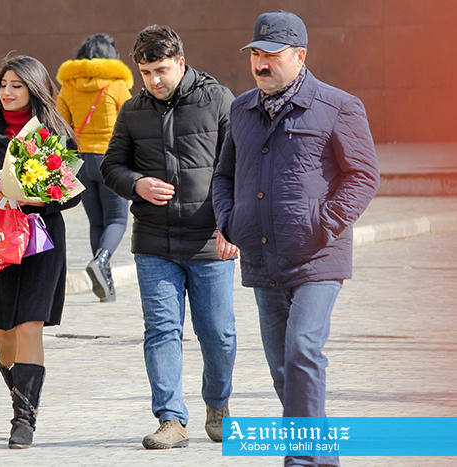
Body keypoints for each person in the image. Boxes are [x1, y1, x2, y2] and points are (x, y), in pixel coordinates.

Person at [212, 10, 380, 467]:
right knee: (284, 368)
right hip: (262, 258)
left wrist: (324, 224)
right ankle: (321, 454)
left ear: (300, 56)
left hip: (317, 258)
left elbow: (363, 175)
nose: (261, 64)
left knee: (303, 348)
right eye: (256, 55)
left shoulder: (338, 105)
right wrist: (230, 221)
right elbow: (223, 175)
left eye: (272, 55)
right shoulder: (241, 109)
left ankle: (302, 459)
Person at [101, 25, 237, 449]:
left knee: (218, 333)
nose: (154, 80)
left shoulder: (219, 100)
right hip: (154, 243)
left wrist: (231, 226)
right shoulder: (131, 110)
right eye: (145, 72)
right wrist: (137, 183)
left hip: (208, 240)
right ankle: (171, 419)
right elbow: (110, 167)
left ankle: (217, 403)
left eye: (161, 70)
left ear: (181, 61)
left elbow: (238, 169)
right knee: (161, 330)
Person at [0, 55, 79, 449]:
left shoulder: (54, 133)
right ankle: (19, 390)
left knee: (29, 325)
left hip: (41, 242)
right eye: (4, 85)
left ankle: (24, 418)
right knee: (4, 336)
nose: (7, 92)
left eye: (16, 86)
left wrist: (42, 197)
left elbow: (71, 194)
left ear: (34, 89)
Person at [56, 33, 133, 302]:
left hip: (81, 161)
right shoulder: (116, 85)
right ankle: (101, 261)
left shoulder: (68, 86)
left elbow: (62, 126)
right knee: (118, 220)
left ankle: (104, 287)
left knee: (96, 222)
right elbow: (132, 122)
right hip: (110, 160)